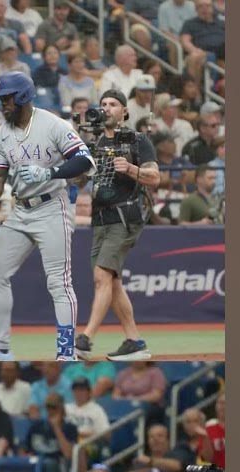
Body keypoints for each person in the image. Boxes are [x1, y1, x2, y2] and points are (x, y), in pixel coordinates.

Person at [0, 72, 94, 361]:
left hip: (52, 206)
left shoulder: (53, 124)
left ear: (23, 96)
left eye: (7, 98)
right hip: (21, 209)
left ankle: (65, 351)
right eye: (1, 99)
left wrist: (50, 172)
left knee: (59, 282)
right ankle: (0, 349)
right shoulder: (0, 135)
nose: (3, 104)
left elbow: (84, 160)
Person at [75, 89, 160, 361]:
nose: (106, 108)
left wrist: (132, 169)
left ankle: (86, 338)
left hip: (125, 217)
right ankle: (134, 341)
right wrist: (77, 169)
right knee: (112, 282)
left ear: (124, 111)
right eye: (103, 104)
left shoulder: (137, 140)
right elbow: (79, 182)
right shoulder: (94, 143)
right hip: (100, 219)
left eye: (113, 104)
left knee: (102, 276)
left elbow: (155, 177)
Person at [117, 422, 191, 472]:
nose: (155, 439)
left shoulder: (177, 454)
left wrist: (151, 461)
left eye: (160, 436)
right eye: (151, 437)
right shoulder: (143, 461)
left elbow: (177, 466)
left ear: (168, 439)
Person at [180, 0, 225, 80]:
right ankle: (196, 90)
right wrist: (195, 51)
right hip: (203, 53)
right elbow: (185, 41)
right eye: (200, 6)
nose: (204, 9)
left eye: (207, 6)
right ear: (196, 9)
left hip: (222, 54)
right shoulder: (189, 23)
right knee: (194, 57)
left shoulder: (222, 23)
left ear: (212, 8)